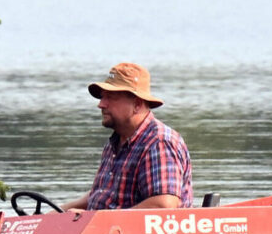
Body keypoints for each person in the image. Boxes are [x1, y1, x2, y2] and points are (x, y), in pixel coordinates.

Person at [61, 61, 192, 211]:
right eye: (103, 97)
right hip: (107, 231)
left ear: (137, 104)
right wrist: (57, 212)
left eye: (111, 97)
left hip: (132, 233)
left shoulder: (159, 142)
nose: (101, 104)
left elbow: (163, 206)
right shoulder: (115, 142)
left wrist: (93, 220)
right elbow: (101, 194)